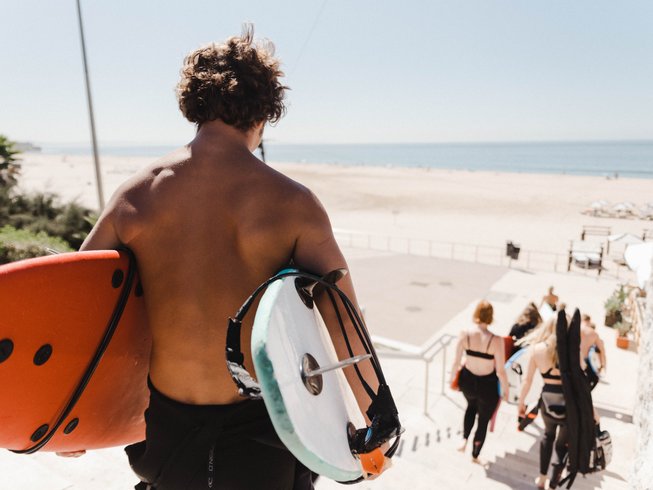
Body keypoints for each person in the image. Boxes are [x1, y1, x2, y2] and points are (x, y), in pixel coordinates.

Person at [76, 27, 379, 489]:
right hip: (263, 435)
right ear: (264, 114)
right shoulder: (293, 203)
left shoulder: (135, 195)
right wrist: (377, 419)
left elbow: (79, 303)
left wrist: (67, 414)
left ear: (193, 106)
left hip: (164, 436)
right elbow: (342, 317)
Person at [450, 300, 509, 463]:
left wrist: (451, 380)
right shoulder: (496, 340)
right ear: (491, 317)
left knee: (470, 407)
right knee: (483, 420)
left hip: (467, 381)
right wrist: (506, 390)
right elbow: (501, 371)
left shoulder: (464, 334)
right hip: (487, 385)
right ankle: (475, 455)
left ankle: (464, 439)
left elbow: (456, 362)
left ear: (476, 314)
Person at [517, 318, 566, 489]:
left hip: (547, 399)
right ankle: (555, 481)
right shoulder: (571, 349)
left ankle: (542, 478)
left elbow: (527, 380)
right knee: (562, 444)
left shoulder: (537, 349)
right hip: (568, 401)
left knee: (548, 435)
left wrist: (521, 402)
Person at [580, 314, 606, 390]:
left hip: (568, 358)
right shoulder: (593, 333)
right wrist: (602, 366)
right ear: (588, 321)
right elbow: (602, 351)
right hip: (582, 361)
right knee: (594, 379)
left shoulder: (572, 326)